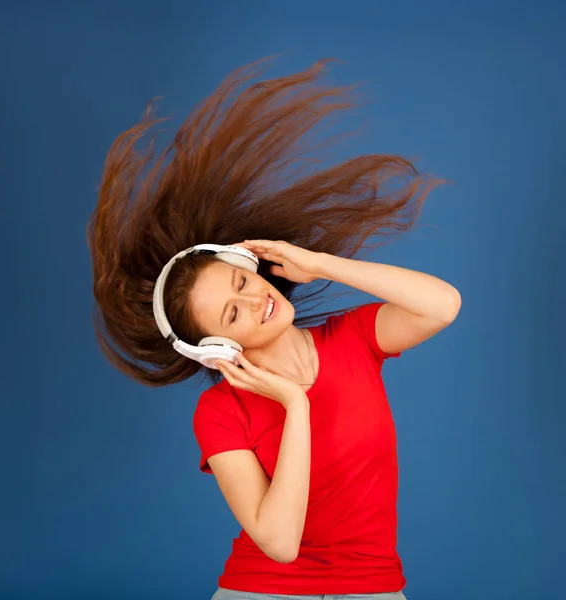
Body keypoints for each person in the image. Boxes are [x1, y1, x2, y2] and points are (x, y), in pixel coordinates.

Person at [87, 58, 461, 600]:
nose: (254, 298)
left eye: (241, 282)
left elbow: (443, 305)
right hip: (265, 591)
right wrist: (296, 407)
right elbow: (280, 543)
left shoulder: (352, 339)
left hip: (375, 586)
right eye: (231, 314)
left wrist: (320, 263)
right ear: (215, 346)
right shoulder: (219, 412)